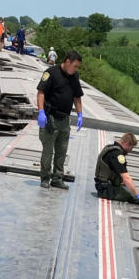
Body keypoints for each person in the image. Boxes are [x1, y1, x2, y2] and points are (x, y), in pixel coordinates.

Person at [36, 50, 84, 189]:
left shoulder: (74, 76)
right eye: (75, 66)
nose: (76, 69)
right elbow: (41, 93)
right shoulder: (51, 73)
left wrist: (80, 114)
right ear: (67, 62)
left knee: (62, 150)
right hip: (50, 118)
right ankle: (45, 178)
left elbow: (77, 96)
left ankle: (57, 178)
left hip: (65, 119)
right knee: (48, 151)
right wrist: (40, 112)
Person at [95, 132, 139, 205]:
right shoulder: (117, 155)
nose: (130, 150)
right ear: (127, 143)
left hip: (102, 186)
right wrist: (137, 195)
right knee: (136, 200)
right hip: (107, 190)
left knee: (129, 190)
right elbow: (126, 178)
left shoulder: (110, 148)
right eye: (131, 147)